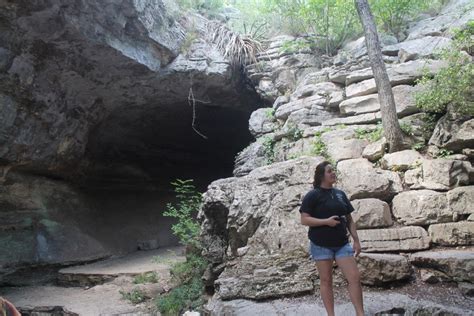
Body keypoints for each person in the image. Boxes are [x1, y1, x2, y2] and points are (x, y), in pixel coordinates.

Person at [299, 160, 364, 316]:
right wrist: (326, 222)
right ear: (322, 175)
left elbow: (349, 219)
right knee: (326, 281)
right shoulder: (312, 195)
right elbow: (304, 220)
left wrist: (356, 240)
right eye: (329, 171)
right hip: (320, 244)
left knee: (354, 278)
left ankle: (361, 314)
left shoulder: (340, 194)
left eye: (333, 170)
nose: (333, 173)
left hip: (342, 244)